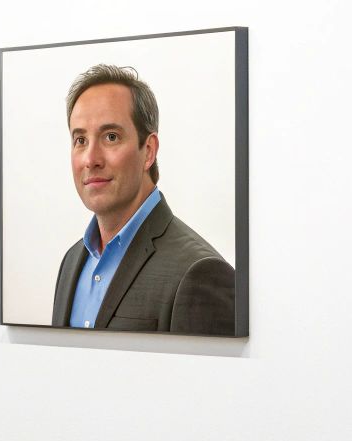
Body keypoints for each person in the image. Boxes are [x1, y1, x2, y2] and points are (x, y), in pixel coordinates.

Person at [50, 64, 237, 335]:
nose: (91, 159)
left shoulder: (200, 274)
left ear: (148, 151)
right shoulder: (71, 262)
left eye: (110, 137)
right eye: (80, 140)